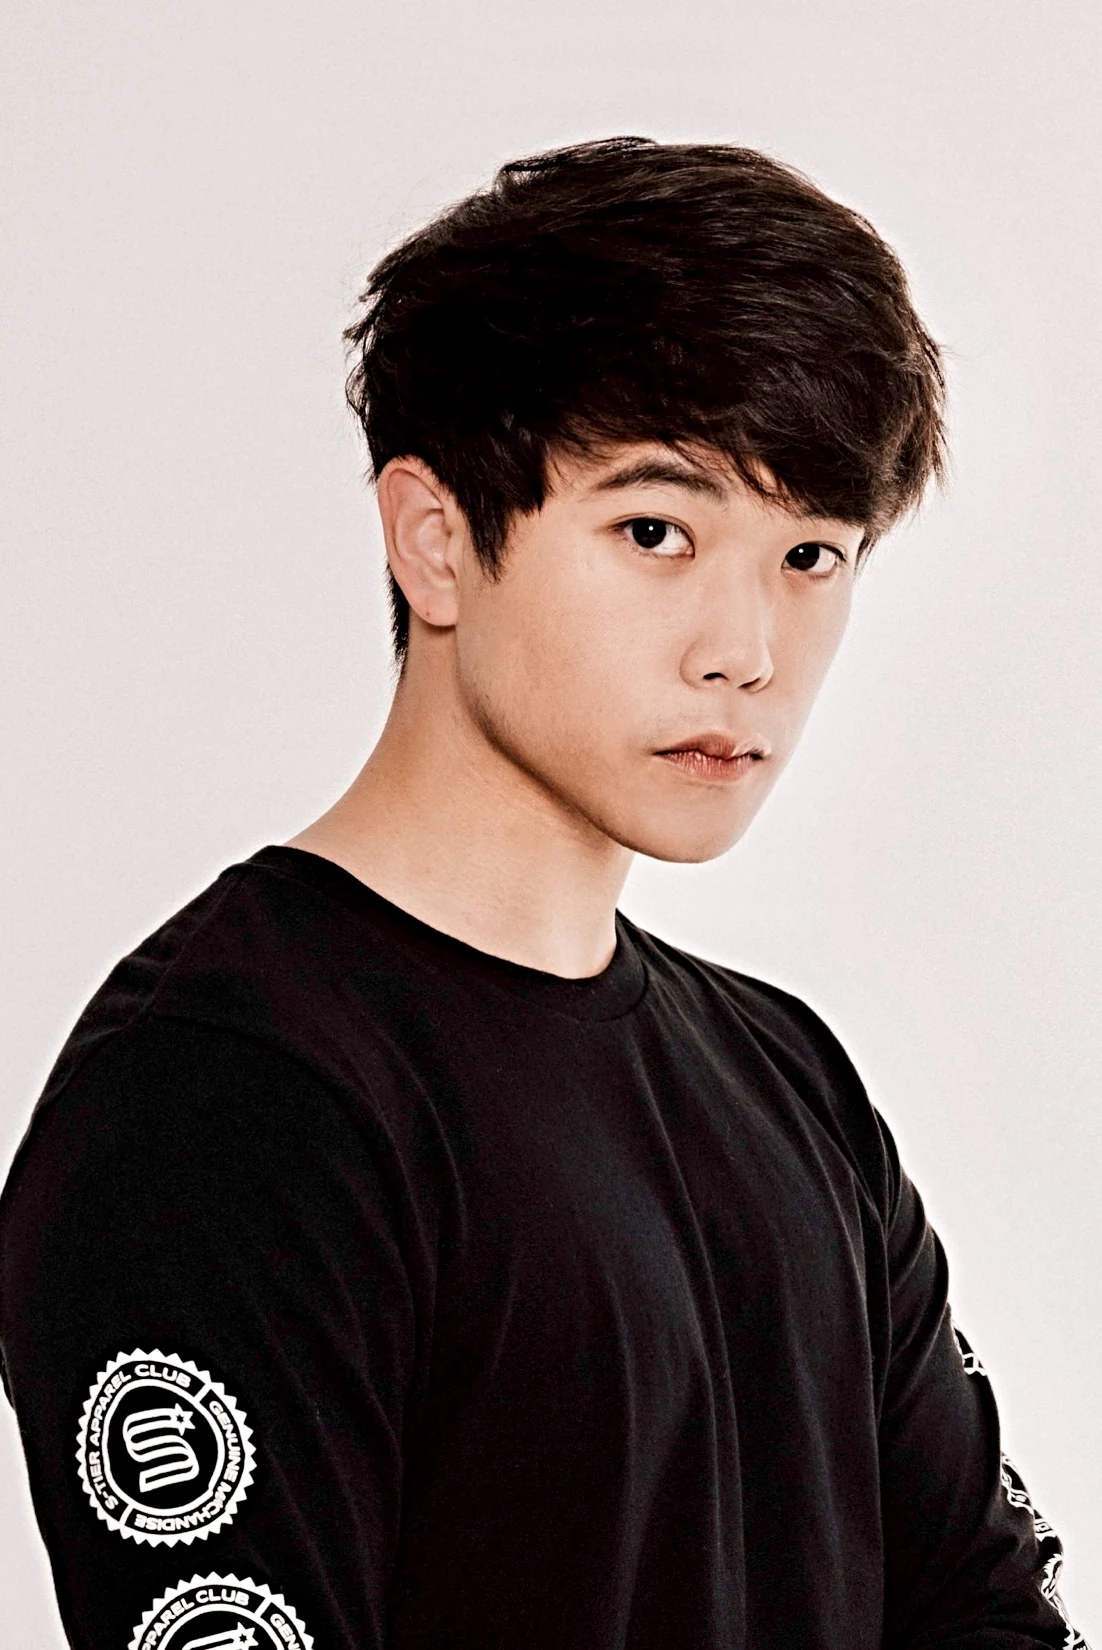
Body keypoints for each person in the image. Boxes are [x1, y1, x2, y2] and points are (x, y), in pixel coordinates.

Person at [0, 137, 1087, 1650]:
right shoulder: (224, 1095)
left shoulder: (793, 1085)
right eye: (656, 532)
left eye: (809, 555)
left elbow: (988, 1615)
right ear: (437, 541)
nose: (745, 651)